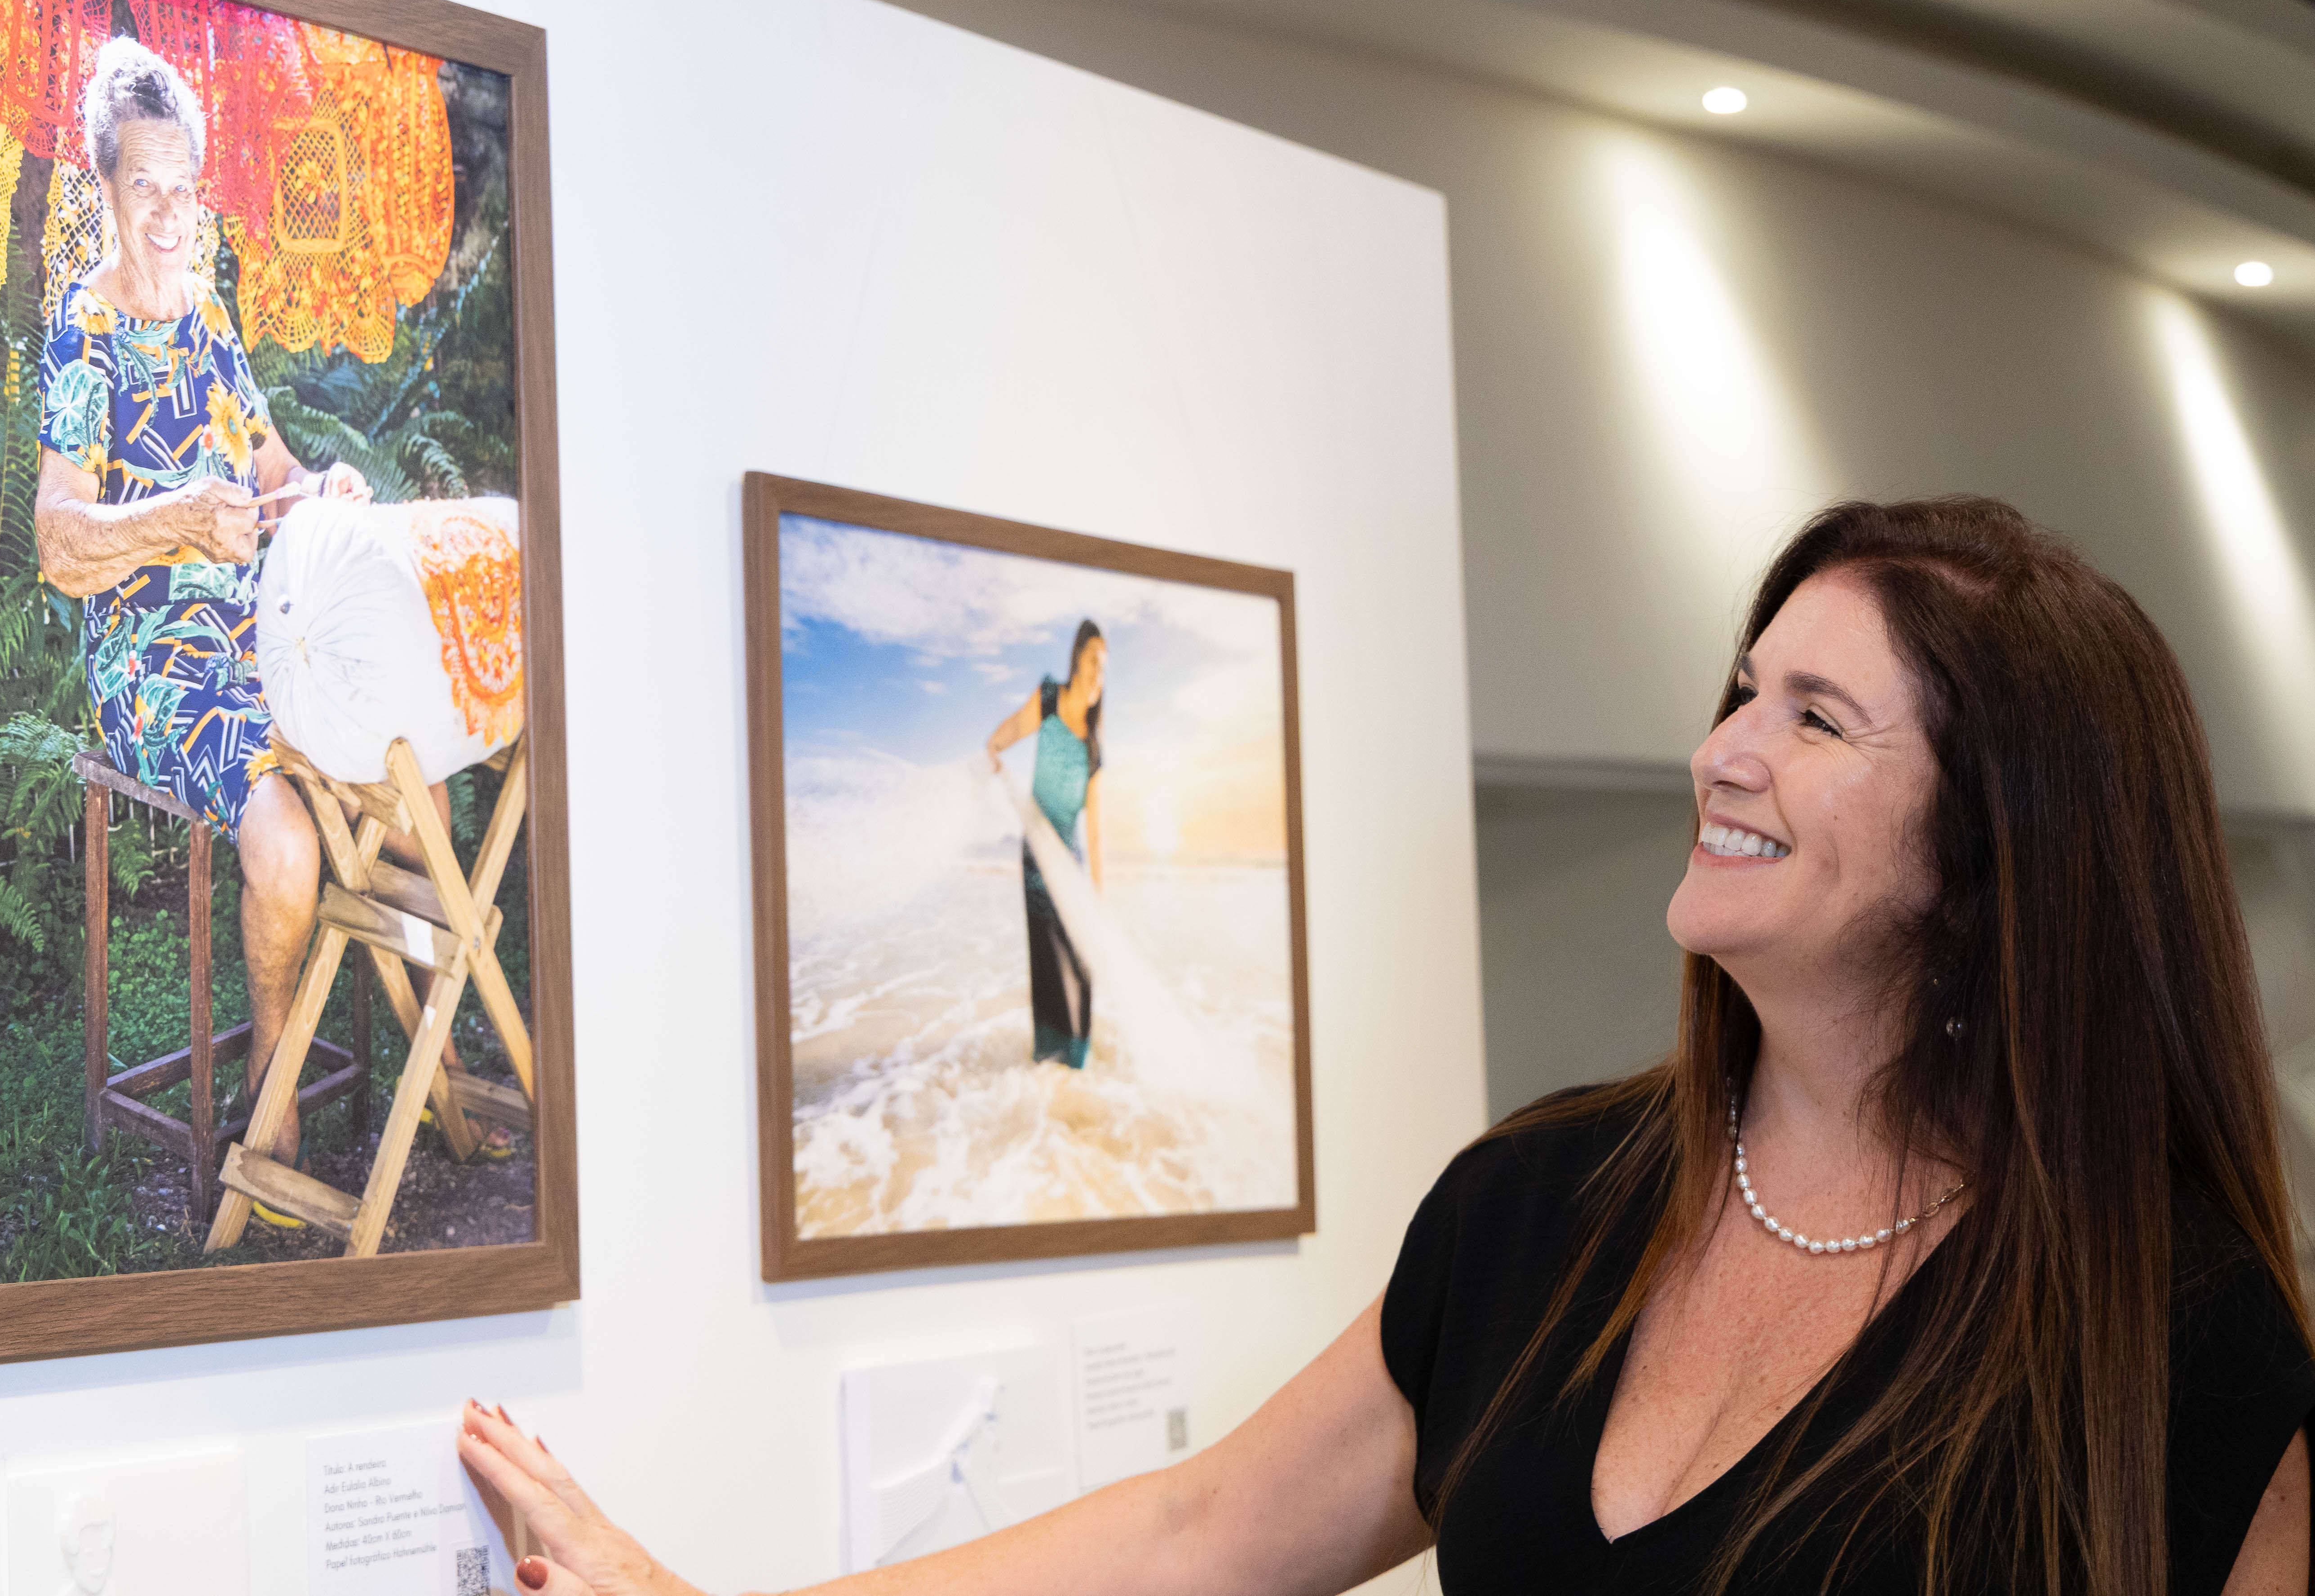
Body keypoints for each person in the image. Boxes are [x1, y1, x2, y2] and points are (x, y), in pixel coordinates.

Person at [455, 499, 2314, 1594]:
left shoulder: (2181, 1333)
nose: (1720, 751)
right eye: (1740, 689)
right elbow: (1194, 1535)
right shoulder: (1538, 1205)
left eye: (1815, 717)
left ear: (1995, 856)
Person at [32, 38, 507, 1202]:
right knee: (287, 842)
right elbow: (57, 541)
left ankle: (439, 1060)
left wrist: (319, 486)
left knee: (412, 793)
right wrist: (178, 519)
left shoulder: (205, 316)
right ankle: (274, 1071)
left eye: (183, 186)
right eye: (144, 185)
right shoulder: (85, 335)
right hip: (152, 660)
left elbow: (274, 470)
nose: (168, 212)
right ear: (105, 185)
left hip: (259, 629)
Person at [983, 621, 1107, 1068]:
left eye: (1103, 667)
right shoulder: (1050, 699)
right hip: (1036, 856)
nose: (1097, 673)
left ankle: (1077, 1058)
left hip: (1068, 863)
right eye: (1093, 660)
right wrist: (993, 746)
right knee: (1048, 962)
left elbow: (1094, 830)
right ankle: (1048, 1062)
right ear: (1076, 658)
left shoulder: (1092, 747)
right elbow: (1016, 727)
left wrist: (1097, 892)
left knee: (1082, 959)